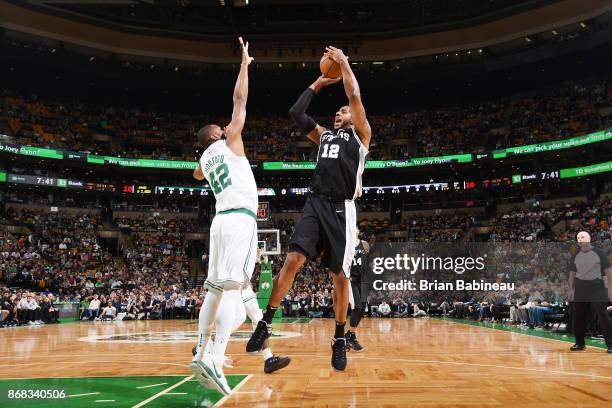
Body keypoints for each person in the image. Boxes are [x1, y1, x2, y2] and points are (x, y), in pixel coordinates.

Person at [247, 45, 371, 371]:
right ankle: (266, 323)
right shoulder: (325, 136)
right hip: (315, 202)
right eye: (338, 112)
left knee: (340, 277)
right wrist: (318, 82)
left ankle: (340, 337)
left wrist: (343, 63)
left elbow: (355, 96)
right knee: (292, 260)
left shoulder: (361, 137)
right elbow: (296, 113)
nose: (339, 114)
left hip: (343, 209)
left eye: (343, 112)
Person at [189, 37, 289, 395]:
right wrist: (245, 64)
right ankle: (215, 358)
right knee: (234, 288)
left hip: (217, 223)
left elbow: (197, 175)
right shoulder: (229, 141)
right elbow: (240, 100)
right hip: (240, 220)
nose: (228, 127)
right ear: (219, 134)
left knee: (214, 290)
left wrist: (205, 155)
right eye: (223, 128)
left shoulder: (205, 159)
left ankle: (201, 349)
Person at [568, 231, 612, 353]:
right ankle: (579, 343)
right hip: (581, 287)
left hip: (596, 287)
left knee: (603, 315)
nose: (580, 239)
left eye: (582, 237)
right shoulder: (575, 255)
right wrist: (571, 289)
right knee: (579, 317)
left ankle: (610, 344)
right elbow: (572, 274)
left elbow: (608, 271)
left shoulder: (599, 253)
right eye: (578, 238)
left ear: (589, 238)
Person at [345, 230, 370, 352]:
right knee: (357, 307)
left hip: (363, 281)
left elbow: (367, 261)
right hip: (352, 280)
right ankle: (352, 337)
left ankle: (348, 335)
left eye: (356, 227)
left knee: (363, 308)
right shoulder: (345, 244)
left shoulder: (364, 244)